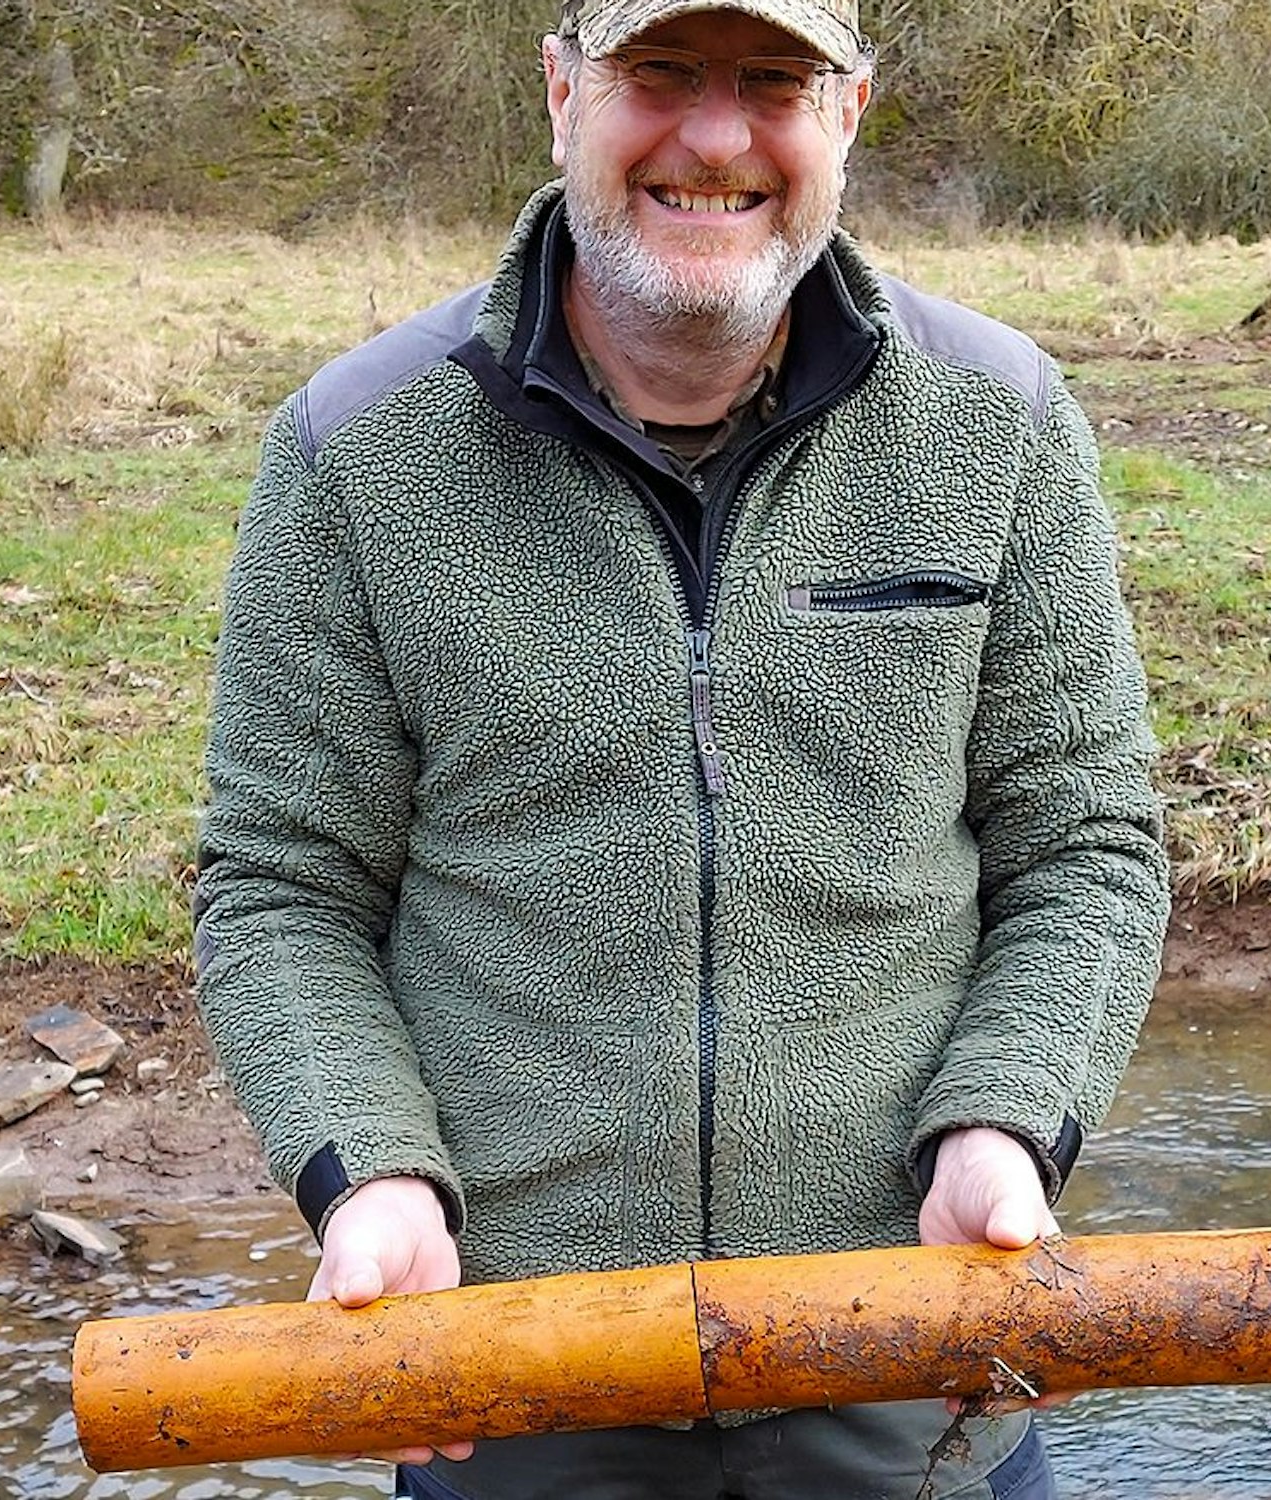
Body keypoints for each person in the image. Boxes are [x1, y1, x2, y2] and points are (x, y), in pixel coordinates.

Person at [191, 0, 1169, 1494]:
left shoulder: (1004, 423)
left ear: (847, 112)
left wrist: (1006, 1126)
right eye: (661, 73)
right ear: (561, 90)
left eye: (776, 80)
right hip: (517, 1379)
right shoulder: (353, 450)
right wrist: (366, 1172)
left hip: (916, 1374)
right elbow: (283, 886)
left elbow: (1086, 846)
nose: (717, 137)